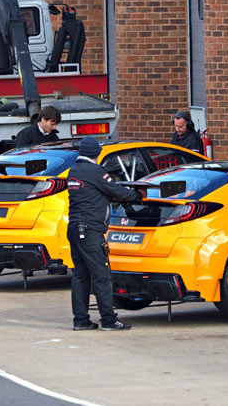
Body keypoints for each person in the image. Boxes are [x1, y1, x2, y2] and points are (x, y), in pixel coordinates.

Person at [66, 136, 146, 331]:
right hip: (91, 230)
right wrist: (138, 196)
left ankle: (80, 319)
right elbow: (117, 191)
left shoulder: (73, 171)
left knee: (80, 276)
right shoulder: (95, 171)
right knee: (101, 275)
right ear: (96, 153)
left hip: (75, 228)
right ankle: (109, 320)